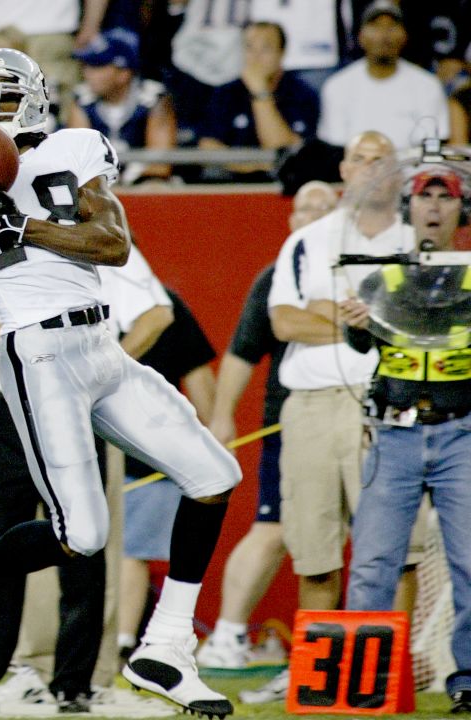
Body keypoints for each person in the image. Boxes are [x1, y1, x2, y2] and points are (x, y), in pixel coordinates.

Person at [0, 47, 241, 718]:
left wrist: (19, 223)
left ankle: (167, 646)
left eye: (6, 92)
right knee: (80, 534)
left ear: (35, 96)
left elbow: (111, 243)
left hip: (100, 343)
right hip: (39, 353)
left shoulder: (76, 146)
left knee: (214, 476)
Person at [253, 130, 416, 704]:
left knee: (398, 553)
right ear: (344, 169)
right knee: (315, 551)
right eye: (361, 159)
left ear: (397, 172)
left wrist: (346, 316)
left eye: (382, 160)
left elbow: (425, 327)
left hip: (391, 405)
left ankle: (390, 675)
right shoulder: (307, 240)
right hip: (314, 407)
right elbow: (283, 325)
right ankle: (317, 673)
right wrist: (368, 322)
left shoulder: (417, 237)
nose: (370, 169)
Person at [340, 164, 471, 715]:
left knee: (470, 563)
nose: (435, 207)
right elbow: (362, 346)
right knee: (372, 563)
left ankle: (466, 679)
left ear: (460, 212)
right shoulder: (380, 277)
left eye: (446, 197)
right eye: (425, 197)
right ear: (409, 208)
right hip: (394, 432)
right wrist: (353, 323)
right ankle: (359, 680)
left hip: (461, 433)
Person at [0, 271, 106, 715]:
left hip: (74, 408)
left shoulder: (82, 259)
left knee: (83, 550)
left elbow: (142, 320)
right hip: (11, 410)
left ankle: (74, 683)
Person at [195, 180, 338, 670]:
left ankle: (344, 650)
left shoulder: (357, 271)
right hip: (290, 424)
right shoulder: (278, 276)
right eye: (306, 209)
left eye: (327, 207)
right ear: (291, 221)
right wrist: (221, 418)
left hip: (357, 420)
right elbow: (241, 354)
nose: (316, 215)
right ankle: (227, 636)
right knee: (273, 528)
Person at [116, 289, 218, 663]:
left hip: (145, 452)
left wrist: (212, 437)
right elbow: (200, 375)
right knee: (121, 552)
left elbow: (197, 371)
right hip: (112, 447)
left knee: (131, 552)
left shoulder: (163, 303)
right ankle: (117, 639)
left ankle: (122, 641)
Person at [317, 1, 452, 150]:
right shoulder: (337, 86)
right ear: (361, 37)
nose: (384, 34)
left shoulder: (427, 86)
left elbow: (432, 147)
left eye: (392, 26)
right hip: (357, 169)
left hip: (410, 169)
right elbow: (335, 147)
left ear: (404, 36)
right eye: (376, 26)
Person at [198, 21, 321, 182]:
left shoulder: (302, 95)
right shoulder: (225, 93)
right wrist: (256, 166)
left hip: (283, 185)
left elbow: (285, 151)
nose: (256, 57)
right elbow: (208, 147)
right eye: (249, 48)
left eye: (266, 49)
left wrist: (260, 93)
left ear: (282, 53)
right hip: (232, 184)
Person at [66, 27, 176, 183]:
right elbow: (77, 158)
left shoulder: (153, 99)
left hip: (143, 185)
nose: (87, 74)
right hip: (97, 187)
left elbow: (160, 165)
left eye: (97, 66)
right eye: (87, 66)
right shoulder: (82, 99)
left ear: (123, 73)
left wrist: (129, 179)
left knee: (156, 186)